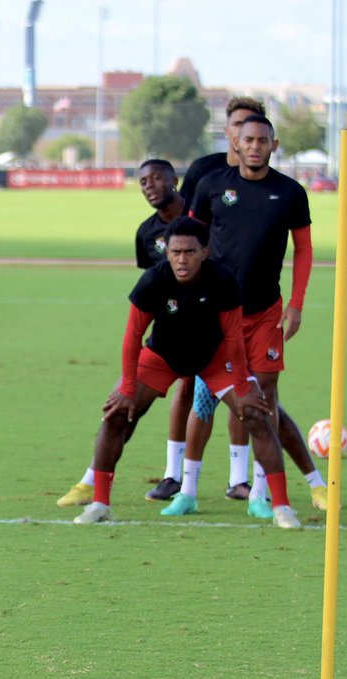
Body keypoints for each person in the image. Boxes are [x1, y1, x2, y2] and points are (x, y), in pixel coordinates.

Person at [73, 217, 300, 529]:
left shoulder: (222, 280)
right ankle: (100, 504)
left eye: (190, 252)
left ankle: (282, 508)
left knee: (257, 414)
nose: (182, 259)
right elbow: (131, 338)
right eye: (176, 251)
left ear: (205, 252)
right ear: (167, 252)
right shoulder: (153, 281)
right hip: (162, 356)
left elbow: (233, 338)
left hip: (214, 357)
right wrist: (127, 386)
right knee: (115, 414)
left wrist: (242, 385)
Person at [161, 114, 325, 519]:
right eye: (248, 139)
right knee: (205, 400)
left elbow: (303, 251)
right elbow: (189, 240)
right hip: (215, 313)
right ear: (237, 143)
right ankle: (189, 490)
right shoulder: (214, 186)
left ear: (274, 144)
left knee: (263, 399)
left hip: (266, 312)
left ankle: (259, 494)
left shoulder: (290, 193)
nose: (254, 146)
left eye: (262, 140)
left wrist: (296, 304)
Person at [57, 159, 189, 507]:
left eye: (157, 178)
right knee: (122, 407)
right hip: (168, 338)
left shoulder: (199, 217)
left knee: (254, 407)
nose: (149, 186)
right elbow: (152, 288)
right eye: (143, 181)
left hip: (211, 335)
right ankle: (92, 484)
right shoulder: (146, 234)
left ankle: (255, 487)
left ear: (174, 180)